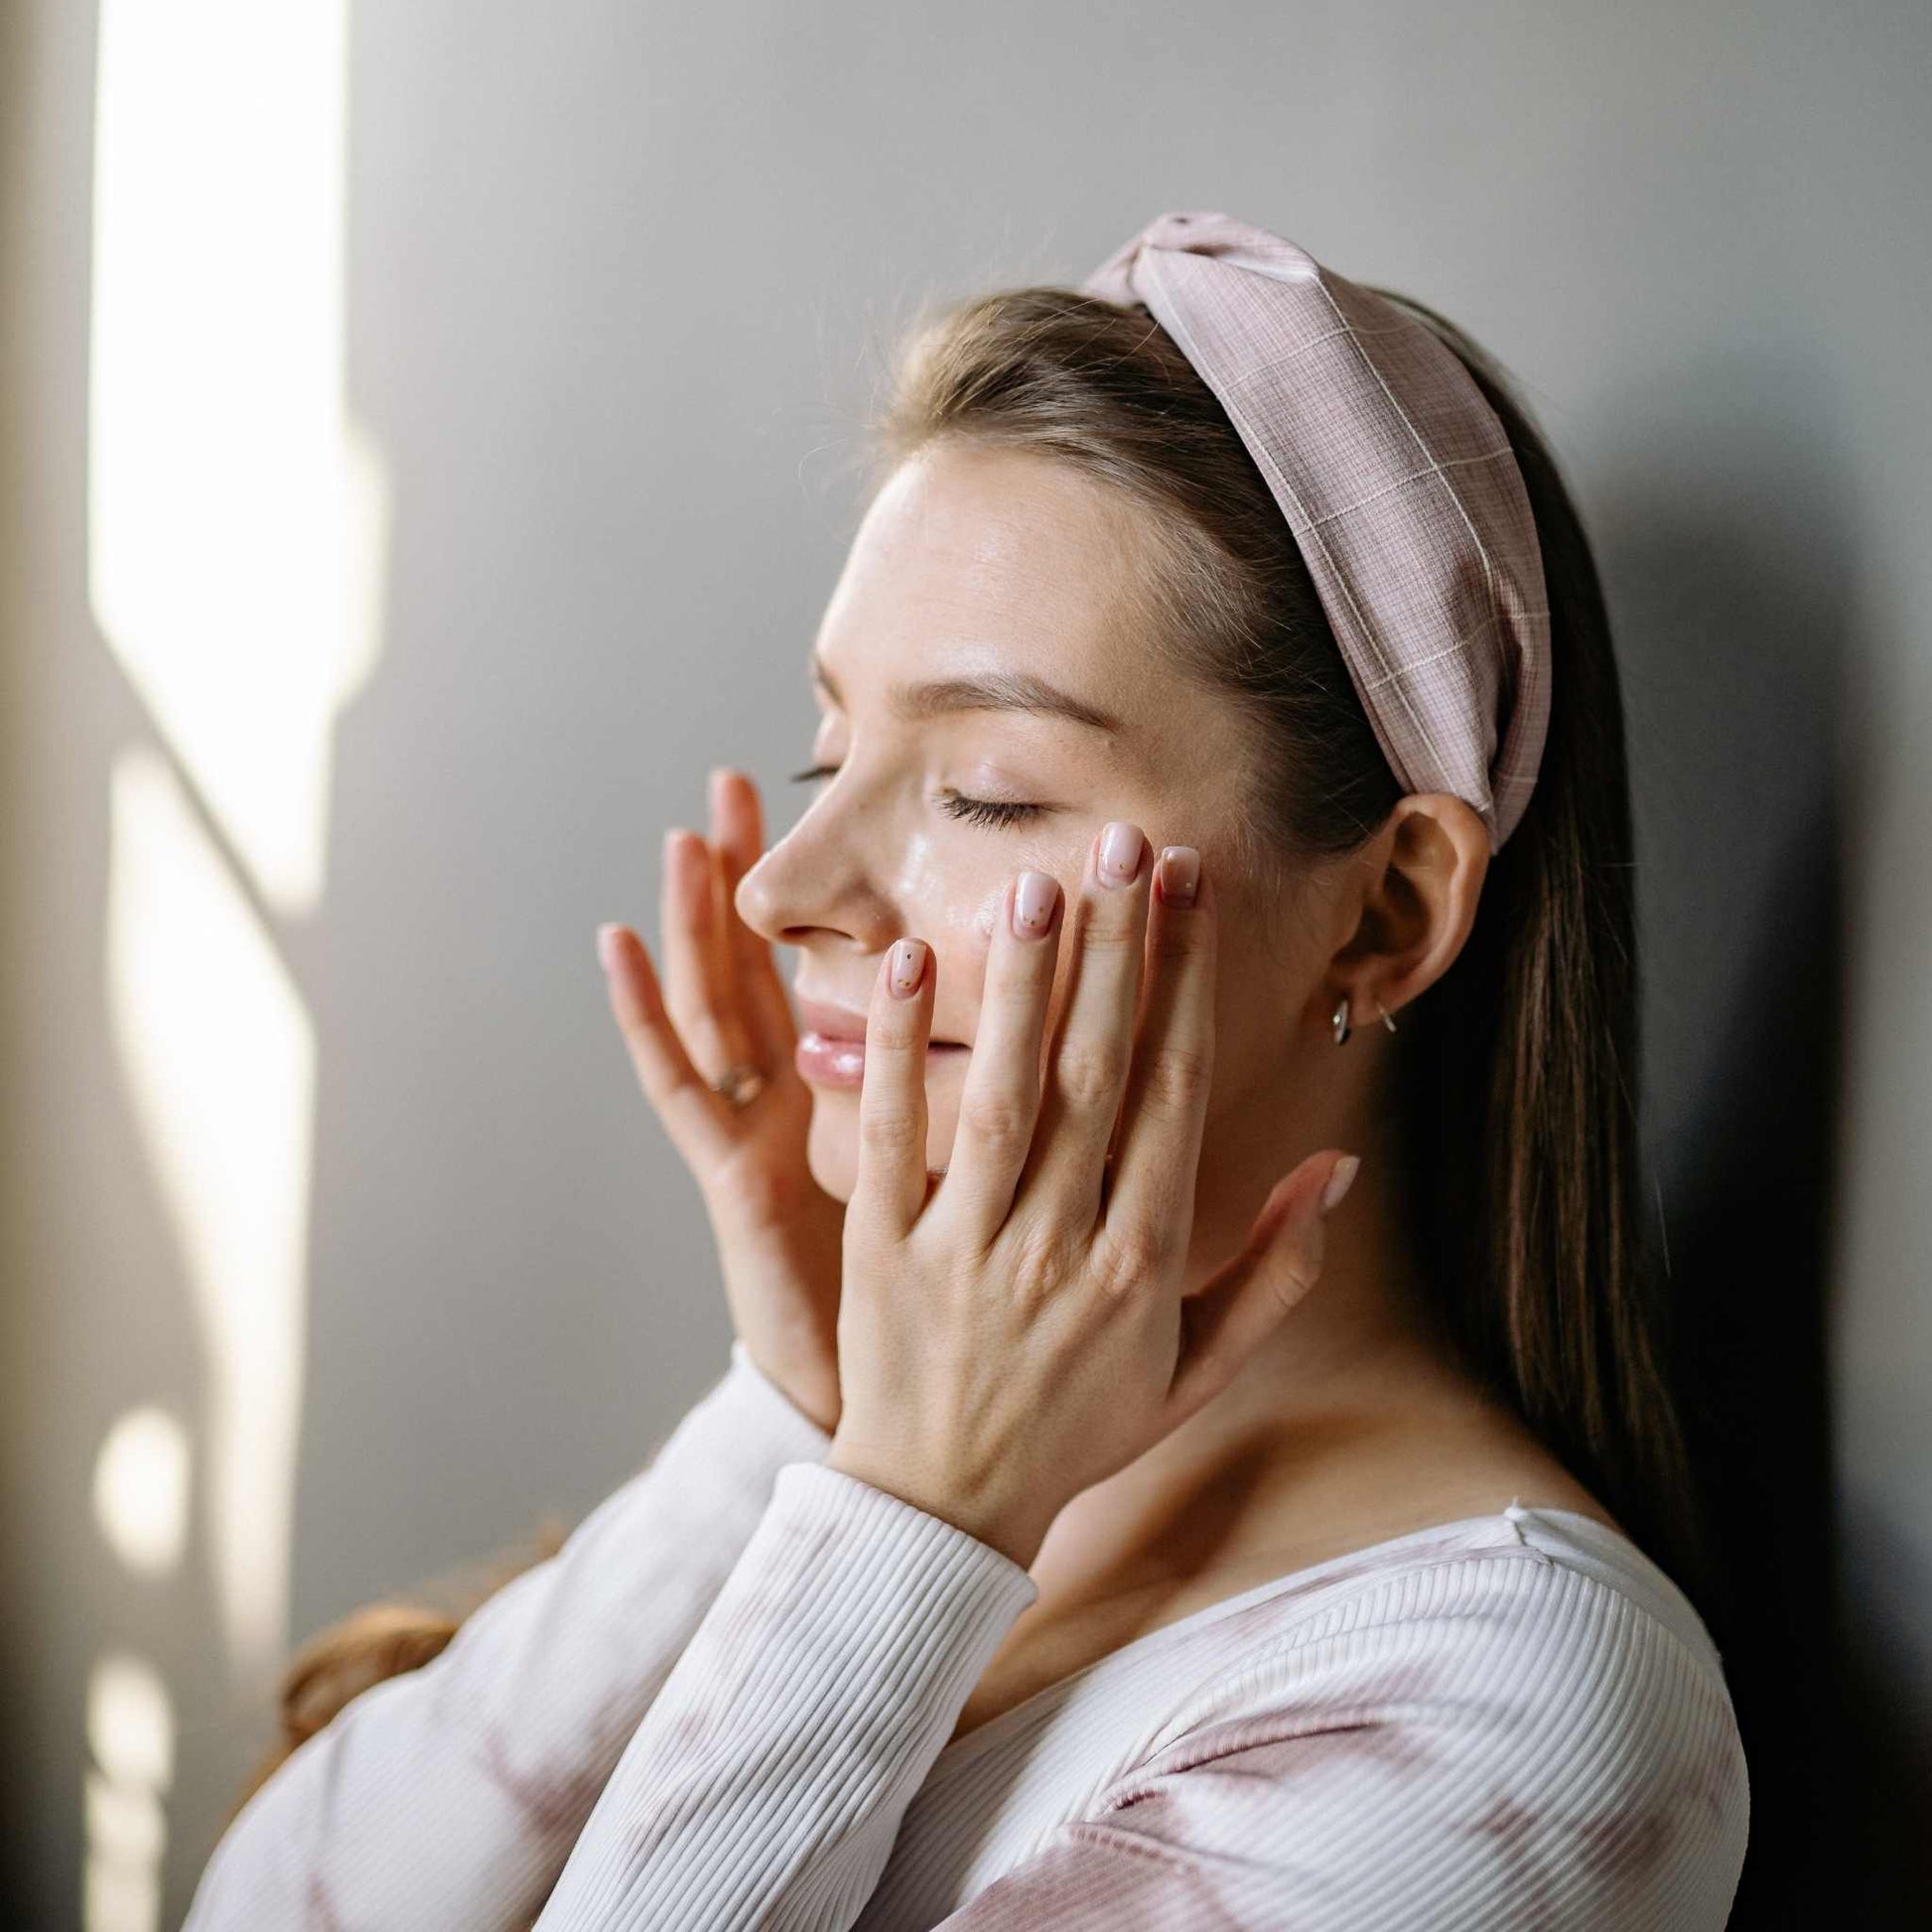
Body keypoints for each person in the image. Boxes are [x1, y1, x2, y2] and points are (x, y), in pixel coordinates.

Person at [185, 210, 1748, 1929]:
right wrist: (788, 1427)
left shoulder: (1509, 1705)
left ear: (1383, 912)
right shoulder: (918, 1468)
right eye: (829, 749)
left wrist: (912, 1522)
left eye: (986, 790)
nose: (787, 887)